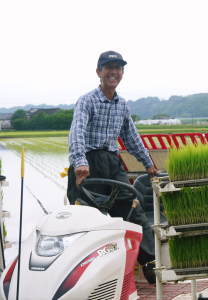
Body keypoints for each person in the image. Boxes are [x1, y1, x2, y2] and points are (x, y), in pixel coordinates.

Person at [67, 50, 158, 283]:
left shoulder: (122, 105)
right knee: (87, 219)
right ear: (99, 72)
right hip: (87, 163)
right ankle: (85, 274)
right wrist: (80, 163)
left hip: (112, 162)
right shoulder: (87, 101)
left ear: (122, 73)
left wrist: (148, 163)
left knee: (132, 212)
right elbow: (77, 131)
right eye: (109, 67)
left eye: (118, 68)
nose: (114, 72)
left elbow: (131, 137)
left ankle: (150, 263)